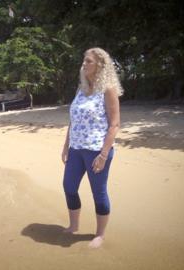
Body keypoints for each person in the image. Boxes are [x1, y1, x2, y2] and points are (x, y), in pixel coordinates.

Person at [61, 47, 123, 248]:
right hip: (76, 149)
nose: (84, 64)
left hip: (97, 150)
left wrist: (104, 154)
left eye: (88, 61)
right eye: (84, 60)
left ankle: (99, 234)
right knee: (69, 186)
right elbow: (73, 120)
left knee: (99, 192)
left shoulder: (108, 89)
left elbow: (114, 124)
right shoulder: (82, 90)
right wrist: (66, 146)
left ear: (100, 65)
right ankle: (74, 225)